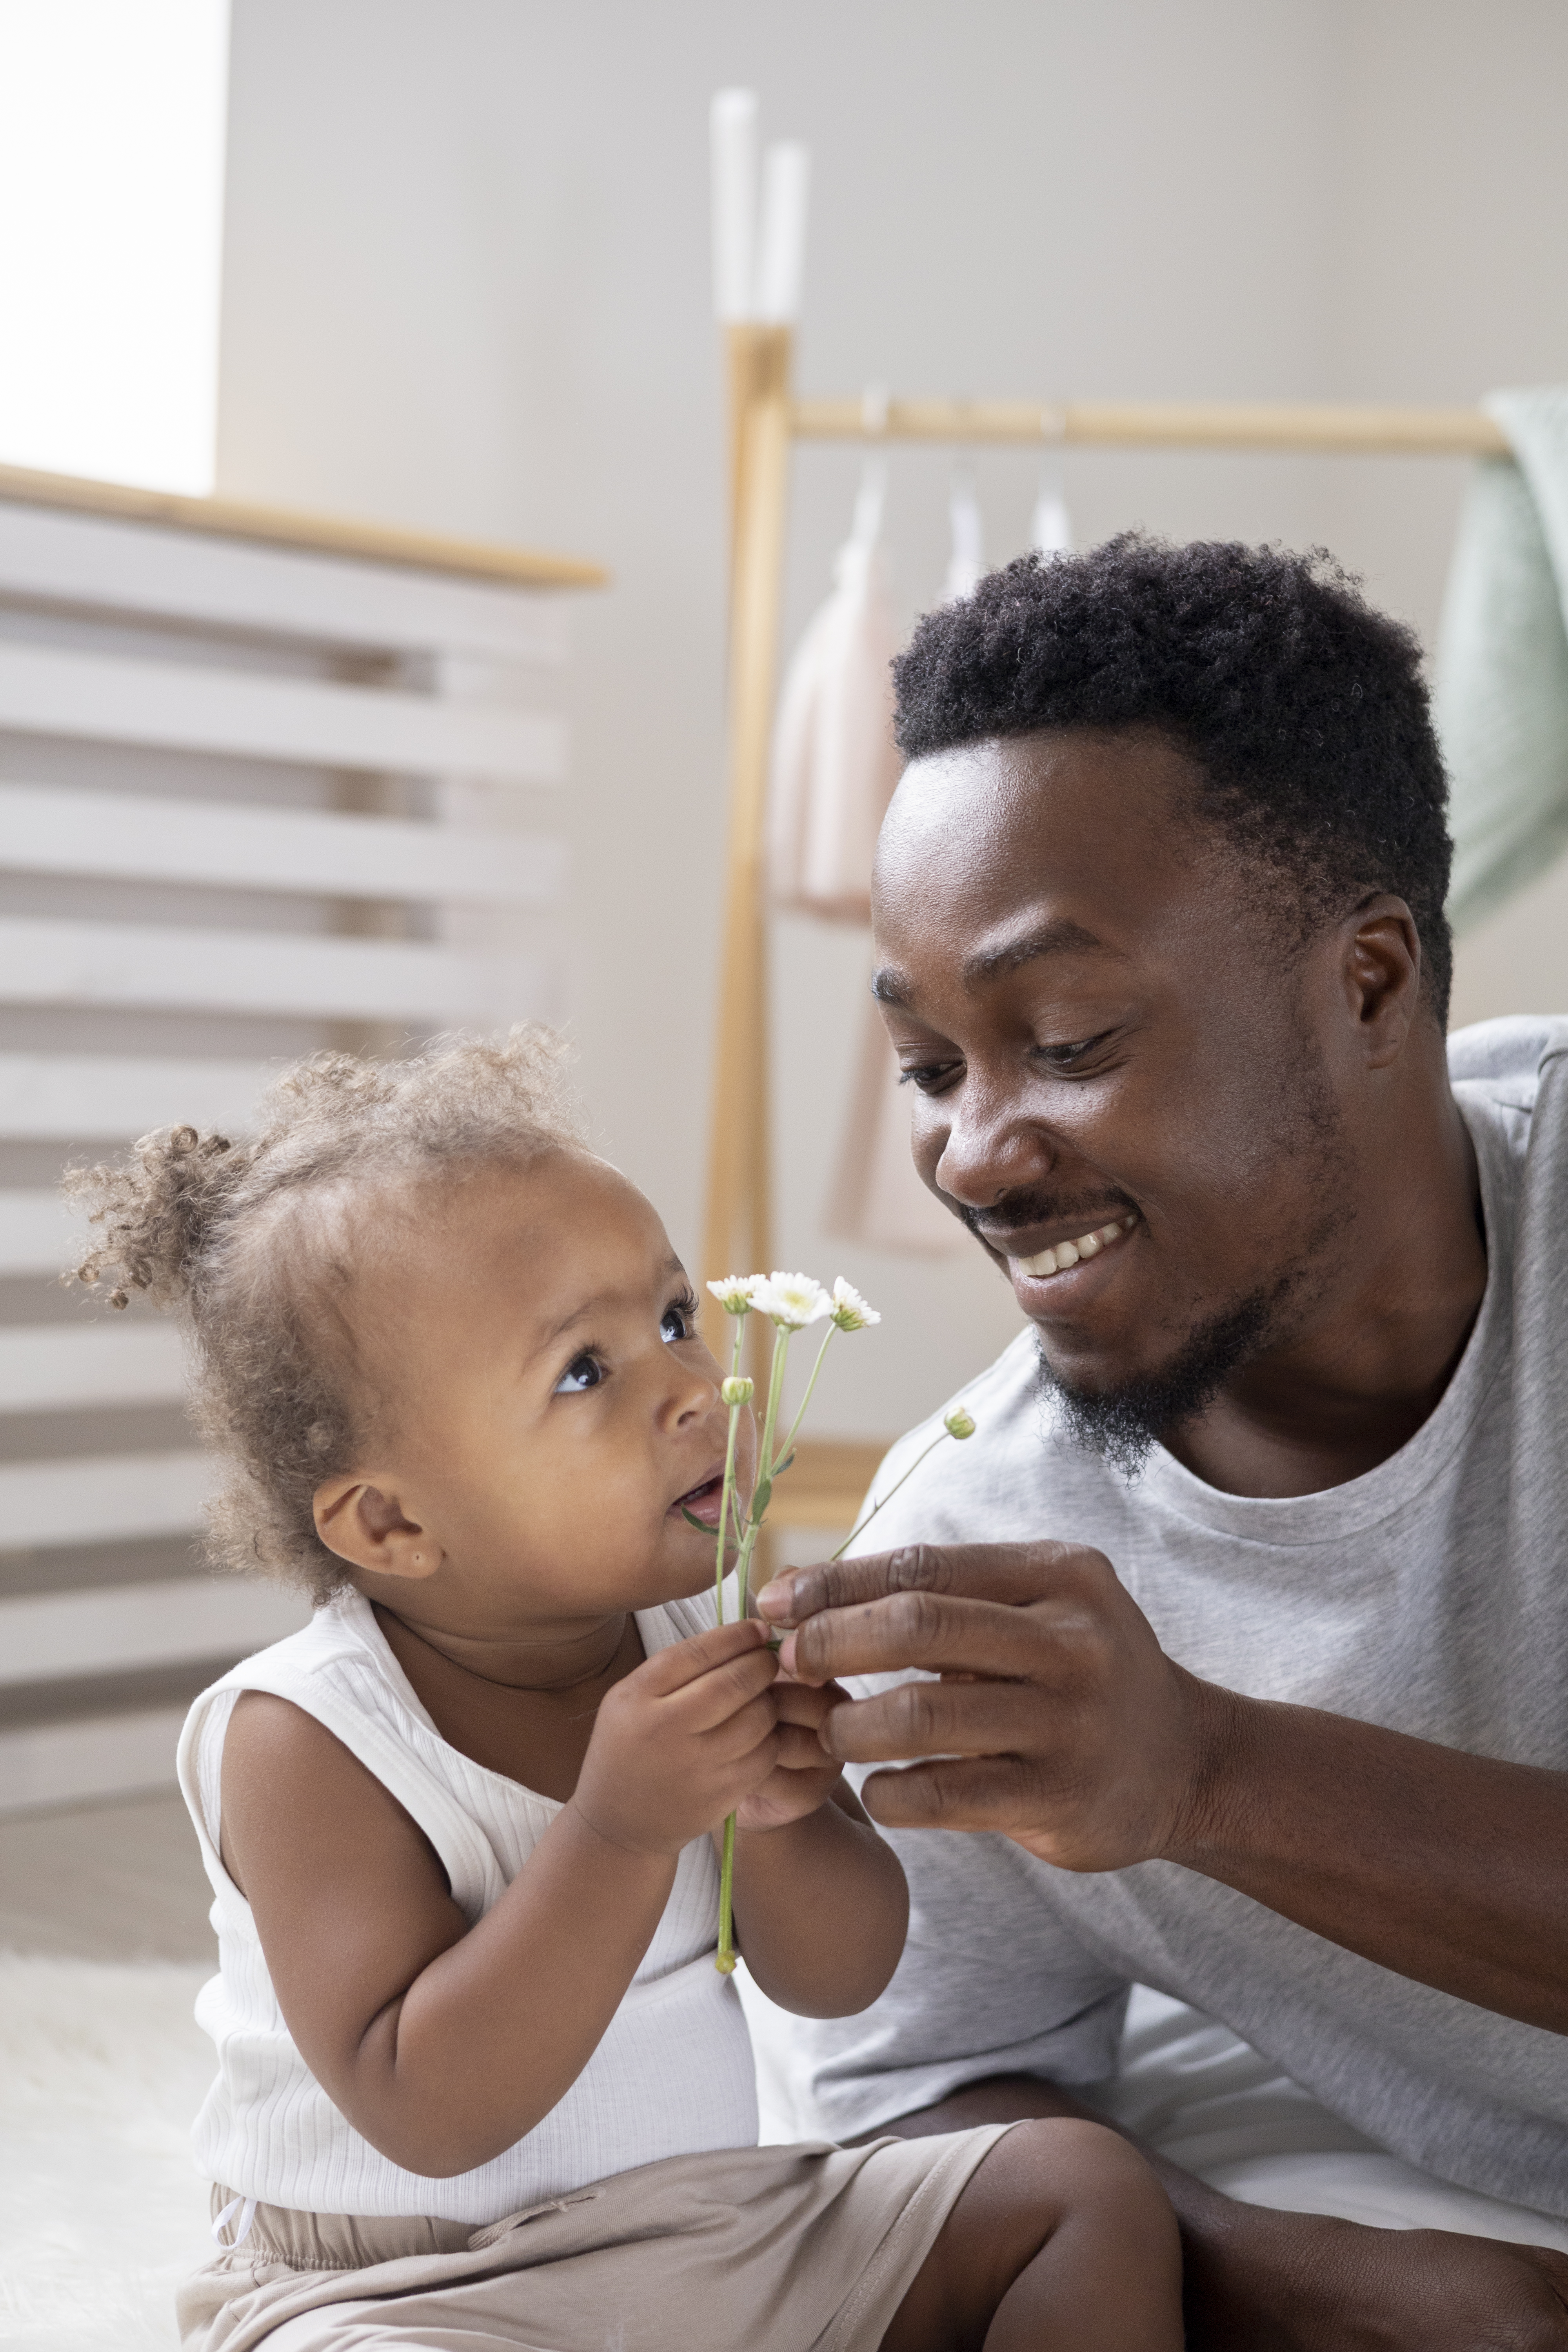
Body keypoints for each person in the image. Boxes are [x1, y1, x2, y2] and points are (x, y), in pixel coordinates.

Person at [750, 537, 1568, 2349]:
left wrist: (1202, 1774)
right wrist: (1313, 2280)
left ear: (1368, 986)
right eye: (933, 1066)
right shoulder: (978, 1539)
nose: (969, 1153)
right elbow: (915, 2099)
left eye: (1067, 1036)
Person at [69, 1034, 1182, 2352]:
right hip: (415, 2295)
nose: (694, 1391)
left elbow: (839, 1979)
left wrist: (777, 1809)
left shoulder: (690, 1639)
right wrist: (617, 1831)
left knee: (1078, 2188)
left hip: (716, 2231)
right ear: (390, 1524)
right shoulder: (304, 1737)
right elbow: (428, 2110)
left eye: (672, 1321)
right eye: (585, 1372)